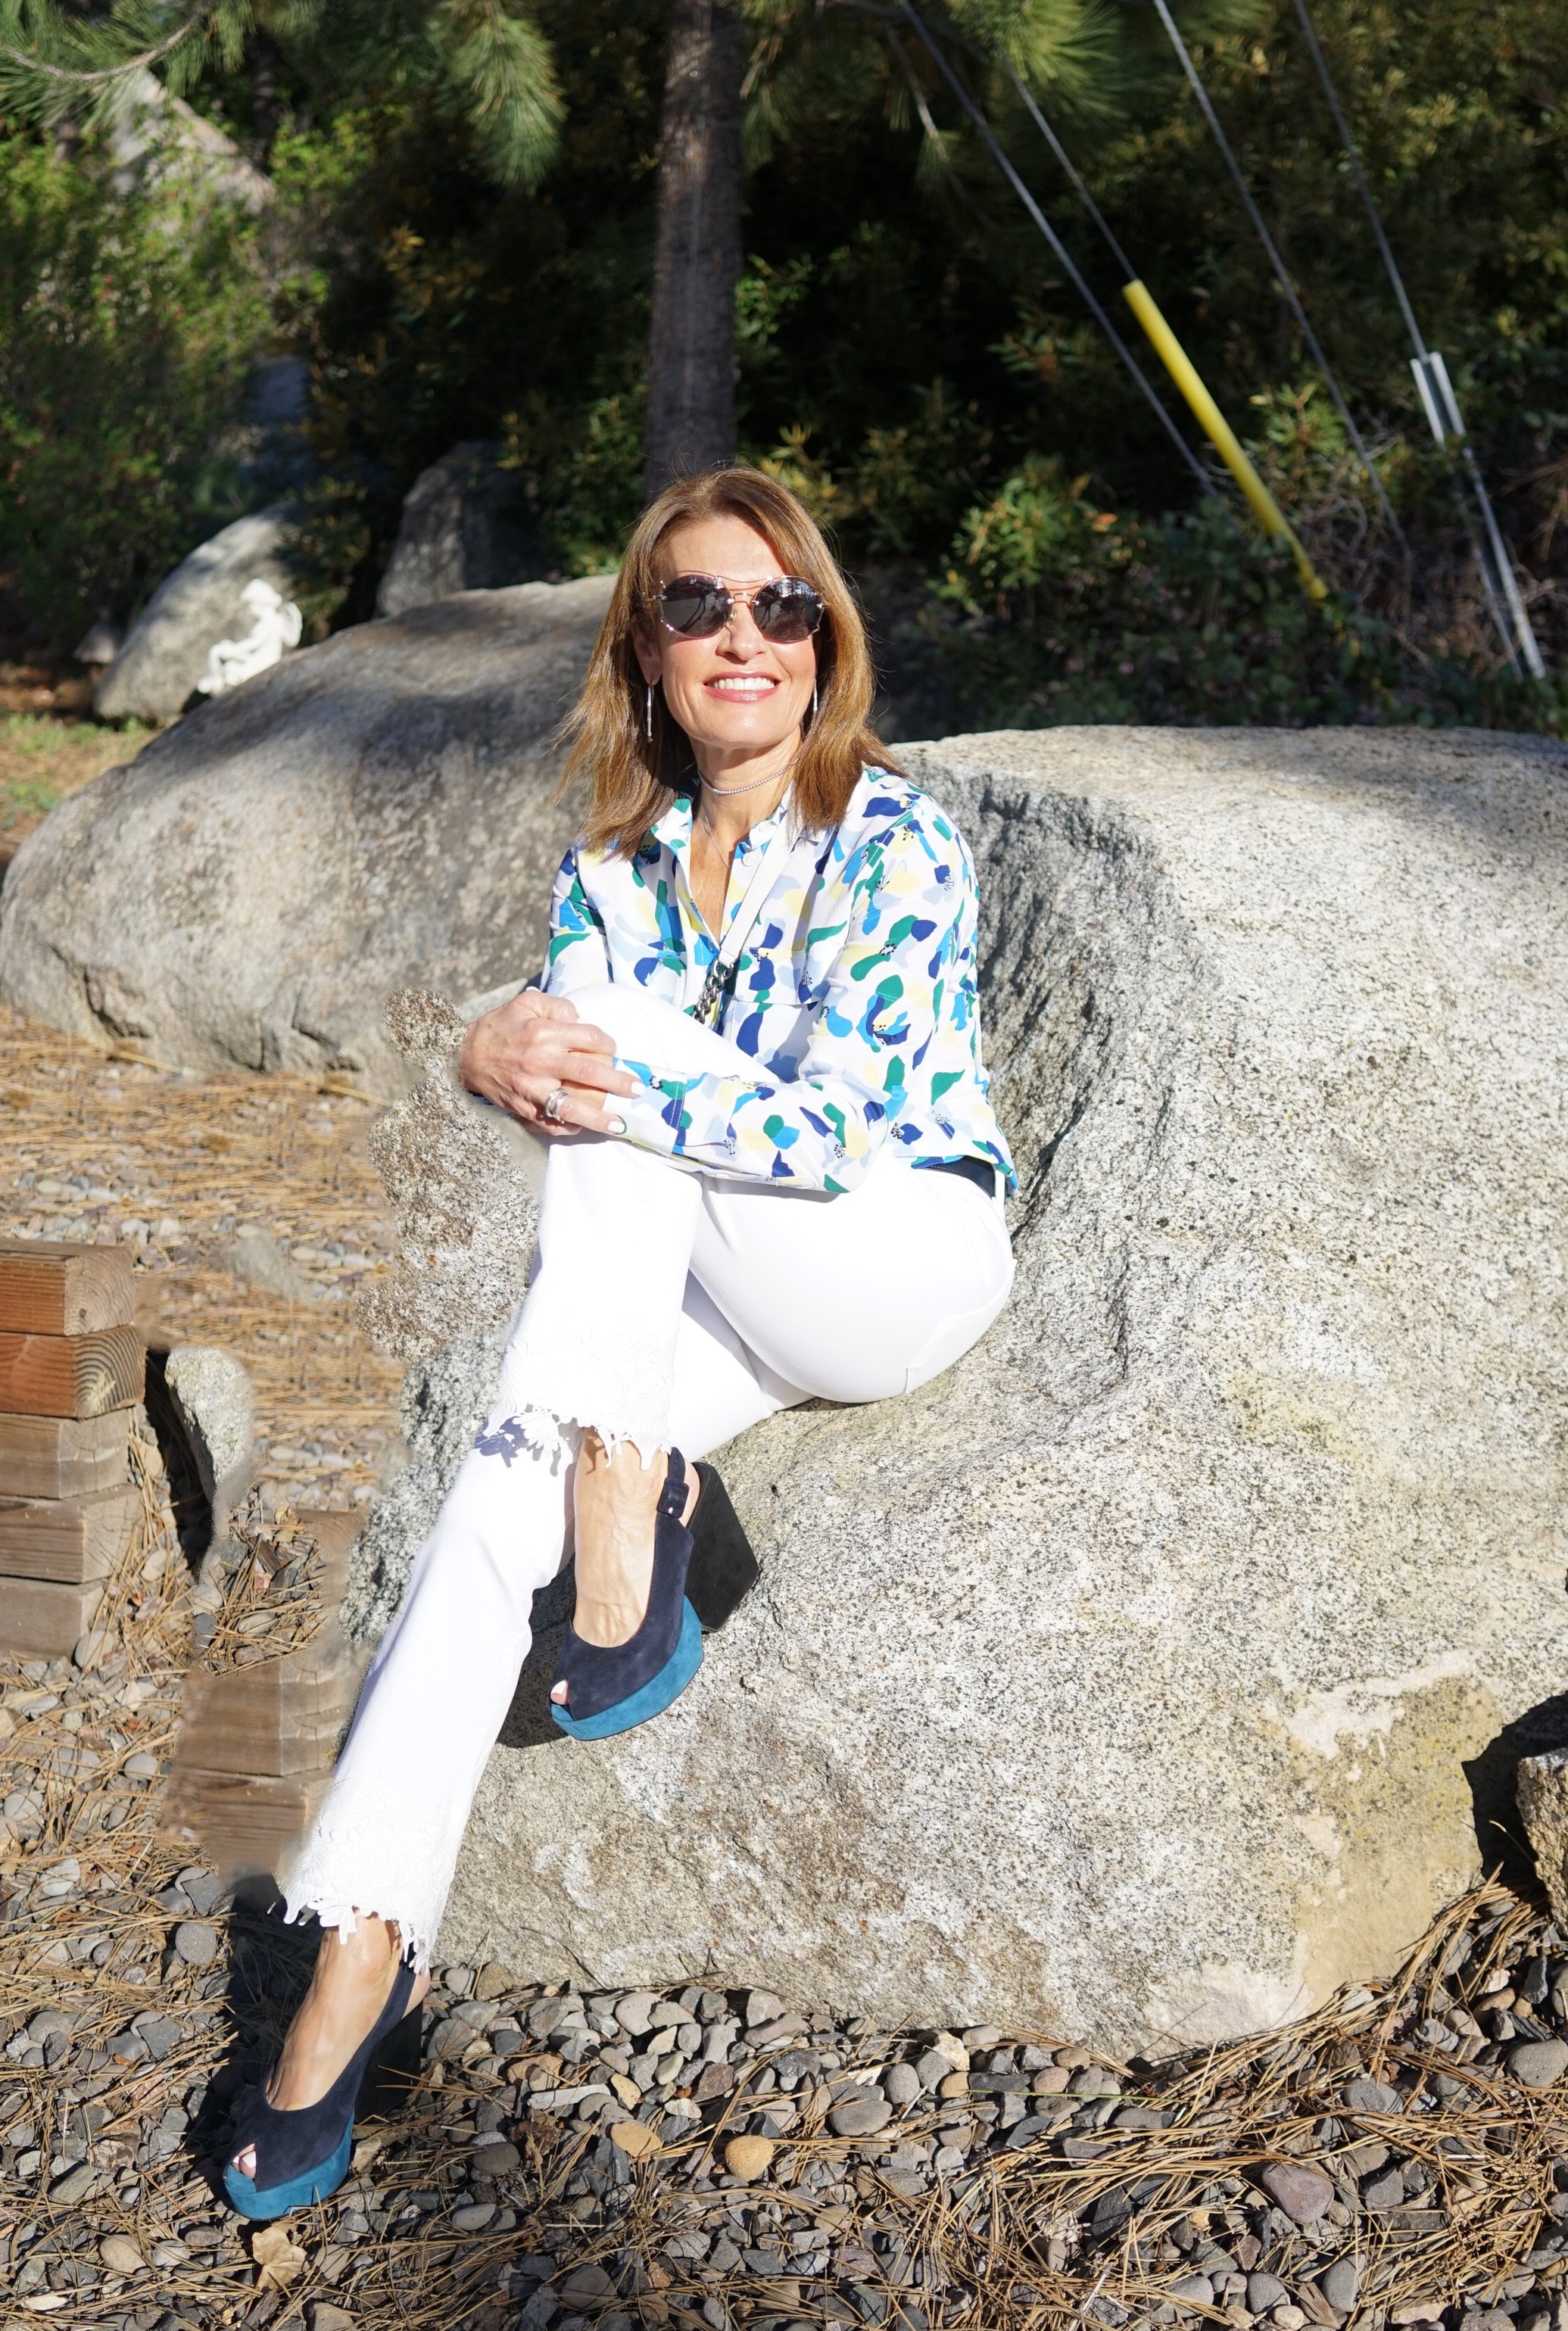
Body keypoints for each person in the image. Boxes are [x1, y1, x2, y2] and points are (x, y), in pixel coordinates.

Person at [223, 465, 1015, 2217]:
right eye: (697, 606)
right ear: (643, 651)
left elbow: (836, 1137)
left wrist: (553, 1046)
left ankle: (625, 1496)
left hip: (892, 1257)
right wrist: (487, 1051)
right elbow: (599, 1108)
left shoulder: (892, 836)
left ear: (824, 645)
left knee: (596, 1057)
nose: (743, 636)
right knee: (488, 1491)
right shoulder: (615, 867)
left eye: (779, 606)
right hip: (710, 1285)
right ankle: (361, 1947)